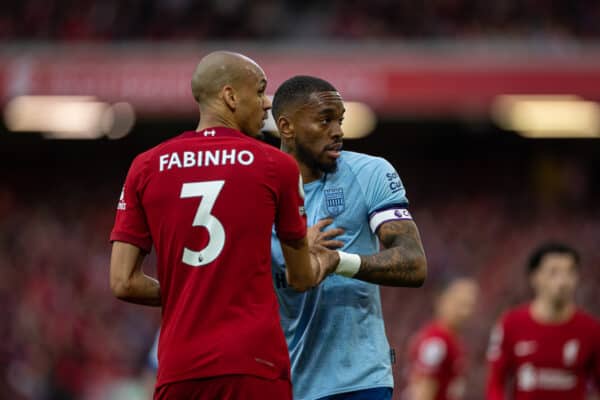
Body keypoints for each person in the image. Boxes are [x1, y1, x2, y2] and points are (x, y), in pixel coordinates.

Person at [109, 52, 339, 400]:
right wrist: (329, 260)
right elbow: (302, 277)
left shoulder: (145, 166)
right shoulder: (275, 165)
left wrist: (193, 290)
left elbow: (123, 283)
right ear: (231, 97)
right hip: (254, 363)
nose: (267, 104)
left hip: (178, 367)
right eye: (261, 91)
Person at [270, 75, 428, 400]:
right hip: (277, 378)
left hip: (359, 381)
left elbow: (414, 264)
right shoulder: (256, 186)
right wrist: (295, 252)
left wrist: (338, 262)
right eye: (324, 120)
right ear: (286, 127)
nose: (338, 131)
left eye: (339, 120)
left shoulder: (370, 173)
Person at [486, 242, 600, 400]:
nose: (563, 281)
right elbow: (496, 382)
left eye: (570, 272)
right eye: (553, 272)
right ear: (535, 278)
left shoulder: (592, 329)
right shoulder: (511, 323)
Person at [406, 277, 479, 400]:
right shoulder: (437, 341)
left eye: (469, 306)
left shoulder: (453, 340)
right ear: (442, 299)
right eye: (459, 304)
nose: (464, 312)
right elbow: (422, 391)